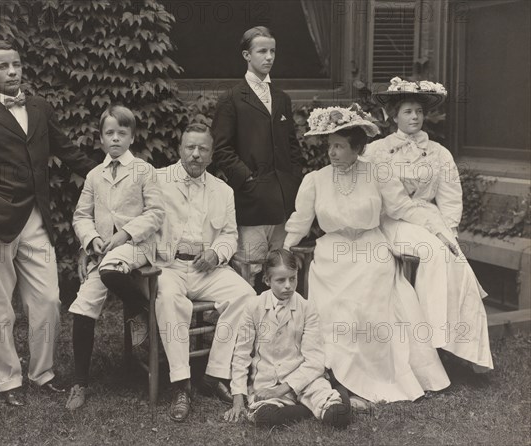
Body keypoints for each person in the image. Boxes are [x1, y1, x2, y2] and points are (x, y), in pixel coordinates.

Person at [0, 40, 97, 406]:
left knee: (48, 300)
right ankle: (9, 380)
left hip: (35, 219)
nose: (12, 72)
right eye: (3, 67)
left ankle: (42, 374)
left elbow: (66, 150)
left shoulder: (41, 108)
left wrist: (104, 173)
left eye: (16, 64)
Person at [283, 104, 452, 403]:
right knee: (335, 306)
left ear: (357, 148)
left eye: (339, 146)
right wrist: (284, 251)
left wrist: (438, 231)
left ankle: (371, 375)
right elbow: (299, 221)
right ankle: (335, 372)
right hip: (332, 252)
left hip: (371, 248)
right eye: (330, 146)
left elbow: (403, 208)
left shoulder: (378, 173)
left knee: (370, 296)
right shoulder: (316, 180)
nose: (332, 153)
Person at [363, 77, 493, 372]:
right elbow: (390, 202)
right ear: (394, 116)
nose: (415, 117)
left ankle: (461, 344)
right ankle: (434, 338)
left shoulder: (439, 152)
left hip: (429, 218)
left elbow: (450, 198)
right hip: (394, 221)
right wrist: (436, 233)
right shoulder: (378, 151)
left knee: (454, 259)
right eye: (408, 111)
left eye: (419, 111)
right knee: (433, 252)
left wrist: (450, 231)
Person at [151, 123, 256, 422]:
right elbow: (142, 223)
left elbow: (229, 234)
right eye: (190, 148)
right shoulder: (157, 180)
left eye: (203, 149)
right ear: (180, 150)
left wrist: (216, 253)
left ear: (211, 155)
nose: (196, 155)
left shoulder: (223, 190)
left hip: (205, 267)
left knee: (247, 297)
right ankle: (181, 383)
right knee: (171, 300)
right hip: (168, 265)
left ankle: (214, 372)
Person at [65, 105, 164, 410]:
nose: (116, 138)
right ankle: (80, 382)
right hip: (104, 253)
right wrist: (91, 239)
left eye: (122, 132)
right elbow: (81, 215)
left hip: (136, 247)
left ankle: (139, 310)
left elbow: (156, 213)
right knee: (83, 309)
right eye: (110, 133)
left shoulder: (144, 170)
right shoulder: (95, 176)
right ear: (101, 138)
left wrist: (124, 234)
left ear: (132, 137)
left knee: (110, 269)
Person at [211, 26, 303, 287]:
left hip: (282, 202)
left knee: (280, 270)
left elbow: (291, 146)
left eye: (273, 51)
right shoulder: (231, 99)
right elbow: (222, 150)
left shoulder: (282, 98)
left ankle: (277, 324)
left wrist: (292, 180)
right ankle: (246, 325)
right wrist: (248, 180)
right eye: (262, 51)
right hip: (251, 202)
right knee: (249, 271)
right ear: (246, 55)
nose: (269, 57)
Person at [225, 249, 352, 428]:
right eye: (280, 280)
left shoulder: (307, 308)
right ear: (267, 280)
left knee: (339, 416)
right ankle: (312, 409)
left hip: (304, 379)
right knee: (265, 418)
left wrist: (281, 389)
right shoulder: (254, 306)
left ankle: (328, 398)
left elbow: (315, 361)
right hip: (268, 381)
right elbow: (241, 354)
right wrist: (238, 398)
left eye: (293, 278)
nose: (288, 286)